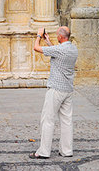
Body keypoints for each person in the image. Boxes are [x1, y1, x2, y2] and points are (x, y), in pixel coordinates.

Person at [29, 26, 78, 159]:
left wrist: (39, 36)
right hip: (68, 89)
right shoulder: (73, 48)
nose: (56, 36)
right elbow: (55, 52)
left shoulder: (60, 49)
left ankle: (44, 151)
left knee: (47, 120)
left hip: (56, 89)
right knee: (67, 121)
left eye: (57, 35)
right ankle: (67, 151)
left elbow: (36, 48)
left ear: (61, 37)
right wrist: (48, 41)